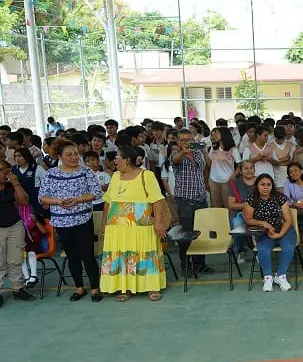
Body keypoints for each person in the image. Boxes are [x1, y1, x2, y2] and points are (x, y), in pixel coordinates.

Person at [99, 146, 168, 302]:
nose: (114, 160)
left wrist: (158, 223)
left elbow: (157, 200)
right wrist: (104, 224)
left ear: (127, 160)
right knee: (122, 255)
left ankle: (152, 287)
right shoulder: (115, 176)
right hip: (116, 228)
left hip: (141, 226)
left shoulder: (147, 175)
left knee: (145, 254)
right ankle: (124, 288)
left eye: (117, 157)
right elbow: (108, 202)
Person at [38, 139, 103, 302]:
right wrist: (58, 202)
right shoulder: (51, 173)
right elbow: (42, 198)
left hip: (83, 220)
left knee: (87, 254)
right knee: (72, 256)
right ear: (59, 156)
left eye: (75, 153)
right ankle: (79, 288)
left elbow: (96, 193)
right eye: (69, 155)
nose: (74, 157)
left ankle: (95, 288)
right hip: (61, 223)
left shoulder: (85, 171)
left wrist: (78, 199)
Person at [243, 173, 297, 292]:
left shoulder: (280, 197)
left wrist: (280, 234)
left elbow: (288, 220)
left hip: (282, 229)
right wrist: (263, 224)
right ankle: (268, 277)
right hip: (263, 231)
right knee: (263, 250)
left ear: (272, 186)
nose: (266, 187)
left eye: (268, 184)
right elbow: (248, 220)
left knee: (288, 247)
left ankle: (281, 276)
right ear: (257, 185)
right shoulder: (251, 199)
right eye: (262, 184)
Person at [171, 129, 208, 274]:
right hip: (185, 201)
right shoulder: (176, 154)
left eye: (189, 139)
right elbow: (175, 161)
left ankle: (200, 264)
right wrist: (184, 152)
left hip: (200, 199)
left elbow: (198, 165)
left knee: (201, 233)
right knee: (186, 235)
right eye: (183, 140)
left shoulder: (198, 153)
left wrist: (191, 152)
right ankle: (186, 266)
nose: (187, 142)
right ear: (178, 142)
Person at [0, 161, 36, 305]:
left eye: (10, 172)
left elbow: (24, 201)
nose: (8, 175)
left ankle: (18, 288)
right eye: (5, 172)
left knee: (15, 259)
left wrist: (16, 184)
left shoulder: (11, 186)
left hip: (15, 225)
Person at [228, 160, 257, 262]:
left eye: (251, 168)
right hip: (240, 213)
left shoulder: (260, 181)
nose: (249, 170)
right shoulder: (235, 183)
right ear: (240, 170)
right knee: (237, 224)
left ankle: (258, 250)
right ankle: (241, 251)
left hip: (258, 213)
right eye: (246, 168)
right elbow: (231, 205)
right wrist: (247, 205)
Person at [207, 127, 241, 208]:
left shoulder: (233, 149)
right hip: (213, 180)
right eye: (213, 134)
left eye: (217, 133)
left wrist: (233, 177)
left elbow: (240, 166)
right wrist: (204, 152)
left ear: (224, 134)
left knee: (227, 206)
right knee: (216, 207)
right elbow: (209, 164)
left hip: (227, 181)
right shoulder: (213, 148)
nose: (214, 135)